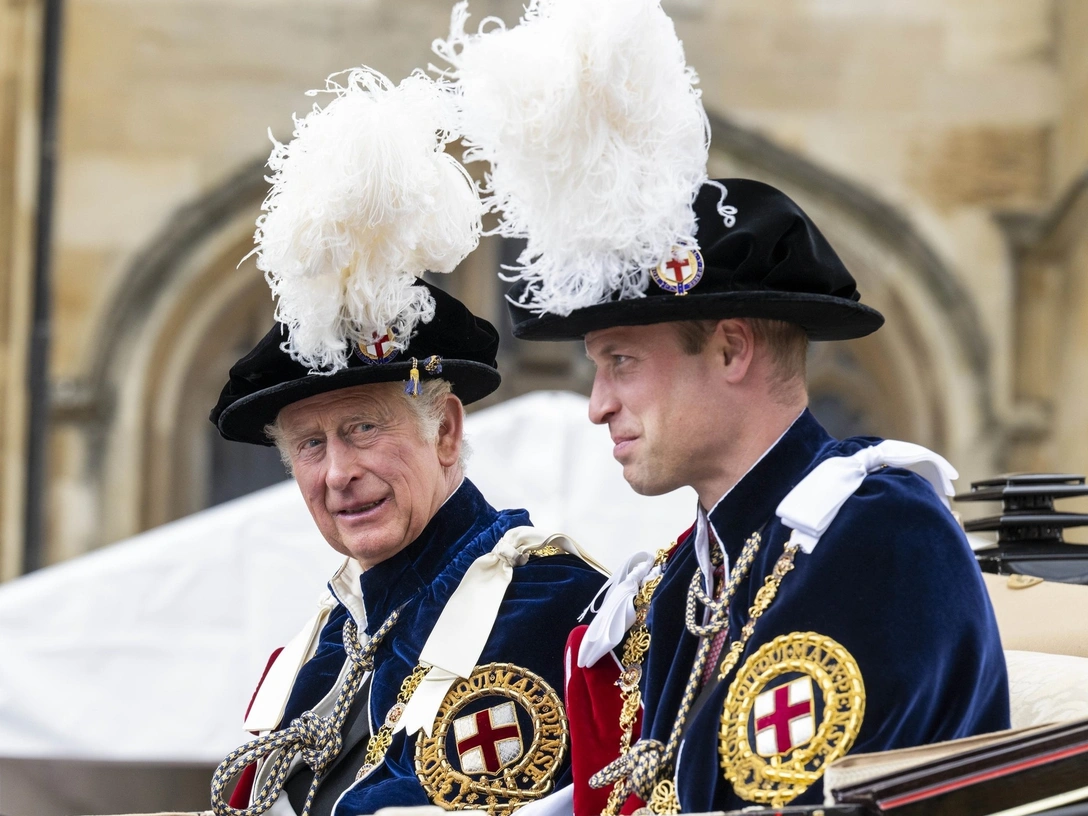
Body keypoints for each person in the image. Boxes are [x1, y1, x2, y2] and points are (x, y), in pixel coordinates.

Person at [507, 179, 1011, 812]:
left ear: (730, 349)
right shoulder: (682, 581)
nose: (599, 405)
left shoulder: (882, 531)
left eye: (622, 362)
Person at [206, 65, 606, 816]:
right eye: (310, 446)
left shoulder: (548, 601)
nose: (338, 473)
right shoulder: (322, 643)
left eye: (362, 428)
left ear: (446, 431)